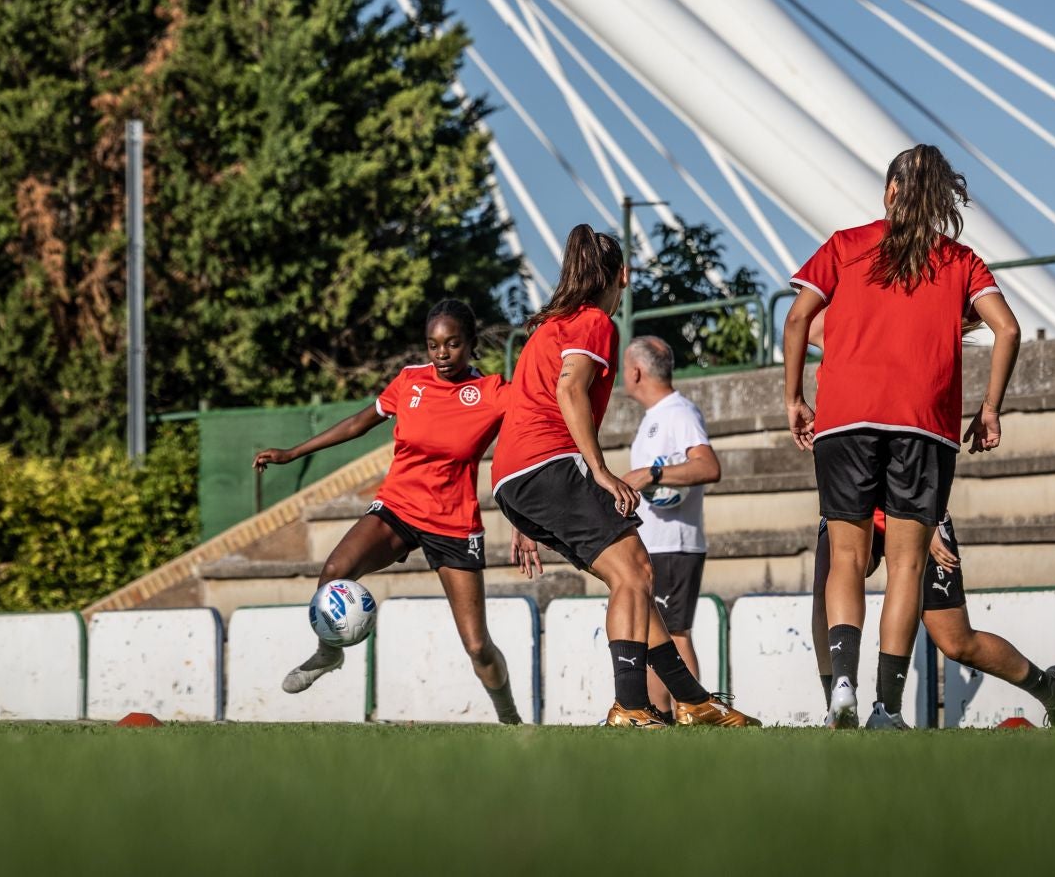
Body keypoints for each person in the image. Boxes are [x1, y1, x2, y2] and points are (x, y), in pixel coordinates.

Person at [783, 144, 1021, 730]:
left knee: (845, 556)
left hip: (845, 418)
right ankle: (886, 709)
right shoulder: (961, 260)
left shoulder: (844, 244)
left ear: (890, 190)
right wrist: (990, 408)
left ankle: (842, 684)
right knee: (907, 568)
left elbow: (796, 321)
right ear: (941, 199)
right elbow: (1008, 329)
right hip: (924, 425)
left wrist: (793, 398)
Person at [495, 225, 755, 728]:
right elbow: (570, 389)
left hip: (516, 477)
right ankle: (632, 706)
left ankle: (693, 701)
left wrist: (522, 513)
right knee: (636, 573)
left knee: (628, 580)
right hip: (549, 463)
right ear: (622, 275)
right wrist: (600, 471)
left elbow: (523, 412)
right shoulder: (594, 322)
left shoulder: (550, 326)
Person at [253, 300, 523, 723]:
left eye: (453, 344)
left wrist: (523, 517)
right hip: (398, 508)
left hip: (453, 524)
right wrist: (293, 453)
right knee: (333, 572)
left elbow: (524, 445)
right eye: (433, 344)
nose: (442, 354)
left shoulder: (493, 394)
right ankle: (328, 654)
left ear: (471, 344)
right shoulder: (410, 381)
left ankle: (510, 718)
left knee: (476, 644)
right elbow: (357, 424)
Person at [811, 508, 1055, 728]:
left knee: (956, 642)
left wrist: (931, 516)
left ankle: (1050, 688)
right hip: (857, 495)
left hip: (912, 506)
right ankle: (837, 710)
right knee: (826, 584)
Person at [616, 335, 719, 716]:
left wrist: (654, 473)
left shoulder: (679, 412)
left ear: (637, 372)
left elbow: (708, 466)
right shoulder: (654, 418)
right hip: (653, 542)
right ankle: (660, 717)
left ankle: (694, 712)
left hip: (675, 545)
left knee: (674, 634)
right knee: (649, 637)